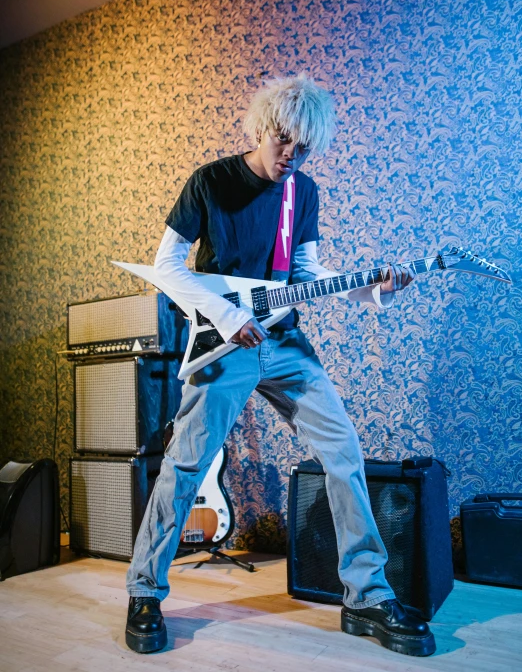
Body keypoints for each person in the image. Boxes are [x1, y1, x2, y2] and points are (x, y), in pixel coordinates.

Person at [124, 75, 435, 657]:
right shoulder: (210, 182)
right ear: (262, 128)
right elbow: (167, 266)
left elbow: (309, 282)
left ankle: (366, 597)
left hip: (286, 343)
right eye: (284, 141)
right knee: (185, 465)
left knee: (343, 450)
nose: (291, 156)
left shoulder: (304, 193)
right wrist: (222, 314)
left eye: (305, 148)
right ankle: (144, 591)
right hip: (228, 344)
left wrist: (377, 291)